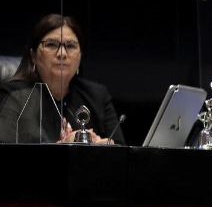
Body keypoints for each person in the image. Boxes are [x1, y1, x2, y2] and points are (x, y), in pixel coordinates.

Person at [0, 13, 124, 144]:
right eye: (51, 45)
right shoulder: (13, 95)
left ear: (81, 56)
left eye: (70, 46)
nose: (62, 54)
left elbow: (122, 150)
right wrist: (63, 149)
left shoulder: (97, 96)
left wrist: (104, 148)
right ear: (33, 56)